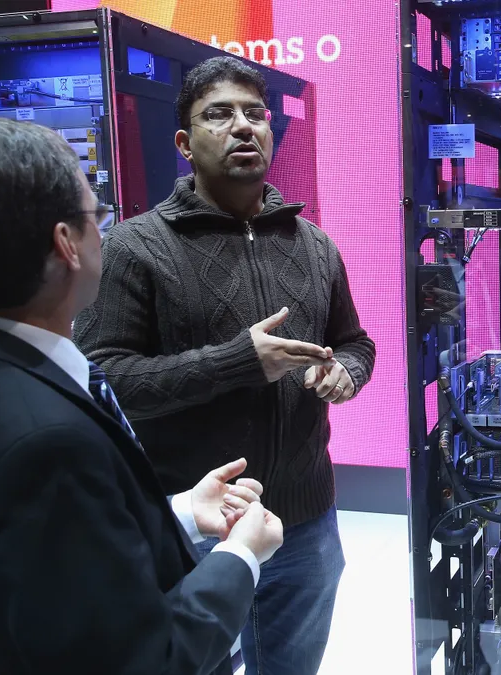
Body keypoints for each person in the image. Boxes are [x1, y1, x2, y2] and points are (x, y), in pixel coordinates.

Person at [0, 115, 284, 675]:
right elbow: (144, 660)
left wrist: (174, 513)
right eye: (95, 216)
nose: (103, 231)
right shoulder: (44, 442)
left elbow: (53, 579)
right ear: (65, 244)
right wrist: (240, 555)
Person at [75, 56, 375, 675]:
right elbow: (102, 383)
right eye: (219, 114)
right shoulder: (135, 248)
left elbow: (355, 341)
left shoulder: (314, 244)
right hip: (192, 523)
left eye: (255, 114)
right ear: (185, 142)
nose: (243, 126)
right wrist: (237, 362)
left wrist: (346, 371)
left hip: (304, 522)